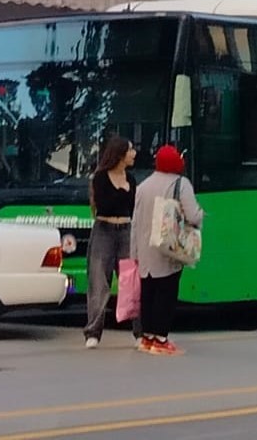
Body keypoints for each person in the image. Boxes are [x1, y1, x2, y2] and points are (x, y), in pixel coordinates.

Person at [131, 144, 203, 356]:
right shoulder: (181, 184)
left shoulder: (143, 186)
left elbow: (135, 223)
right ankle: (161, 339)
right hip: (168, 248)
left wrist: (134, 253)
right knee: (166, 292)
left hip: (145, 250)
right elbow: (192, 215)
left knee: (148, 293)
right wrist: (201, 215)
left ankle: (147, 337)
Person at [84, 135, 139, 349]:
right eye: (130, 150)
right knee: (98, 282)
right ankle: (93, 332)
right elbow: (105, 204)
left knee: (132, 282)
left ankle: (139, 332)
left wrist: (125, 192)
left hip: (126, 230)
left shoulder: (131, 179)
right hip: (104, 230)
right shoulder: (100, 178)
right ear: (120, 154)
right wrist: (123, 192)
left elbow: (132, 206)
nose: (134, 154)